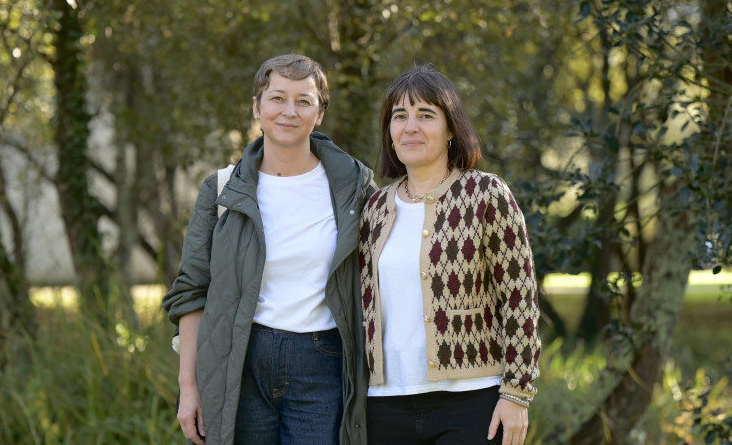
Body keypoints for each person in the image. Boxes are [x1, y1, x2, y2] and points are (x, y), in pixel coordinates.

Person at [162, 54, 375, 445]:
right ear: (257, 107)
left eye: (303, 100)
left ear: (320, 112)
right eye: (277, 98)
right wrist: (189, 387)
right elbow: (192, 292)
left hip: (322, 364)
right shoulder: (221, 189)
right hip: (239, 362)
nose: (289, 111)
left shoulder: (355, 189)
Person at [358, 65, 541, 445]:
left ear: (451, 130)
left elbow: (519, 297)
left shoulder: (486, 194)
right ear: (389, 134)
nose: (411, 127)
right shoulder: (374, 209)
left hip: (472, 401)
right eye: (399, 116)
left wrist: (517, 393)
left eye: (426, 115)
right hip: (386, 403)